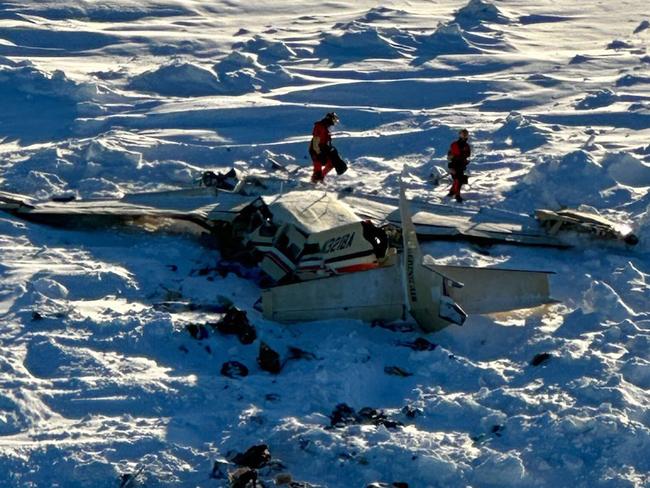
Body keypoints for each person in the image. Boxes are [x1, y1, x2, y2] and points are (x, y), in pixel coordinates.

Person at [309, 112, 347, 183]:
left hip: (323, 149)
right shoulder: (319, 126)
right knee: (318, 170)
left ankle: (321, 178)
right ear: (330, 119)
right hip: (316, 150)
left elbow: (327, 141)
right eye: (334, 120)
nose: (335, 123)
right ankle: (314, 183)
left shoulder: (326, 128)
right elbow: (315, 141)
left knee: (332, 163)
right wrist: (318, 153)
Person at [447, 128, 471, 202]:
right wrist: (451, 167)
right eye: (463, 134)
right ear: (460, 135)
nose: (465, 136)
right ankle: (457, 195)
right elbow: (451, 156)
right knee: (458, 180)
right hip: (454, 165)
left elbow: (468, 154)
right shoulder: (455, 144)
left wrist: (465, 160)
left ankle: (452, 192)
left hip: (461, 165)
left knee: (457, 180)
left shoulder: (466, 145)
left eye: (466, 134)